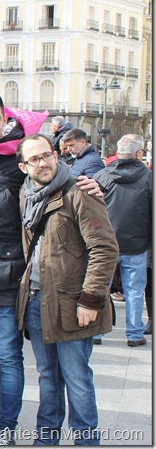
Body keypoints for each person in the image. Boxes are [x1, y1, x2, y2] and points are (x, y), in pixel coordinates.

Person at [0, 90, 101, 445]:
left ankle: (8, 426)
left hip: (8, 276)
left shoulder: (18, 159)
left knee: (7, 356)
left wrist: (95, 181)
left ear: (6, 119)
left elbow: (52, 181)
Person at [15, 134, 118, 445]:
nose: (43, 162)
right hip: (36, 301)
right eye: (34, 158)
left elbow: (105, 248)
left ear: (56, 156)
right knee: (48, 377)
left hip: (74, 303)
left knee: (77, 378)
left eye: (47, 155)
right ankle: (47, 438)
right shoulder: (27, 194)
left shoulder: (79, 191)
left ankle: (87, 440)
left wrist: (90, 299)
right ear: (24, 166)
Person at [93, 134, 152, 347]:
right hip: (137, 243)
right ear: (138, 154)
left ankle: (95, 332)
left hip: (105, 242)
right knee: (134, 290)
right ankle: (134, 334)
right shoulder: (148, 178)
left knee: (99, 286)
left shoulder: (102, 175)